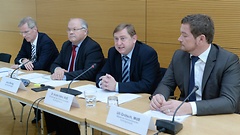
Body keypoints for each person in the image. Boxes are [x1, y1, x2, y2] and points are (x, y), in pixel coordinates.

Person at [150, 14, 240, 116]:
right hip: (182, 116)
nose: (179, 39)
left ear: (201, 39)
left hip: (213, 117)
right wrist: (159, 96)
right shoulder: (179, 56)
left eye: (184, 35)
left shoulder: (228, 60)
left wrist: (190, 107)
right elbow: (166, 84)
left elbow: (229, 101)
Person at [44, 18, 104, 135]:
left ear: (85, 31)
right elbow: (55, 63)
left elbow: (88, 73)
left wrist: (64, 75)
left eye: (75, 29)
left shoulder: (92, 47)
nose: (71, 32)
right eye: (69, 29)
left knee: (60, 104)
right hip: (67, 86)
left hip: (85, 90)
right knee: (49, 99)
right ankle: (56, 131)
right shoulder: (66, 45)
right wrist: (57, 69)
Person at [11, 17, 59, 123]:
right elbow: (18, 58)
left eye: (26, 32)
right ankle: (38, 115)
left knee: (28, 89)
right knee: (21, 88)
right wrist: (24, 60)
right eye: (22, 33)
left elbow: (41, 65)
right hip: (34, 75)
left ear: (35, 29)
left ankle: (49, 123)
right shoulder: (27, 40)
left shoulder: (46, 41)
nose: (24, 35)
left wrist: (21, 66)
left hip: (49, 76)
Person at [96, 23, 161, 94]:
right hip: (119, 96)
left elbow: (146, 84)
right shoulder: (113, 52)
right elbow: (101, 74)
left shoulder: (147, 54)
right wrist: (103, 83)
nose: (119, 43)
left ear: (134, 39)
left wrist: (116, 86)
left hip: (141, 97)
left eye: (123, 39)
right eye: (116, 39)